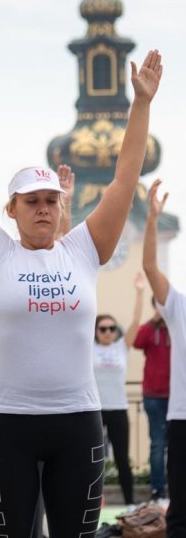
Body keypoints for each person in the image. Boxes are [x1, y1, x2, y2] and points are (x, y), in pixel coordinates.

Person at [0, 35, 162, 536]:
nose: (42, 207)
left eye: (51, 200)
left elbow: (125, 180)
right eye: (31, 199)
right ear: (10, 209)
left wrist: (141, 103)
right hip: (4, 425)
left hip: (77, 423)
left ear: (63, 207)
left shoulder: (83, 248)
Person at [142, 180, 184, 535]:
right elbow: (151, 268)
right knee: (181, 511)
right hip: (182, 417)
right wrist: (152, 220)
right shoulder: (178, 306)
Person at [93, 274, 144, 506]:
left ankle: (130, 503)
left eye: (112, 328)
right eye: (103, 328)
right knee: (92, 460)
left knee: (122, 459)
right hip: (94, 410)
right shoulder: (88, 347)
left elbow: (135, 321)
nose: (107, 332)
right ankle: (90, 503)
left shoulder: (121, 347)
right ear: (95, 331)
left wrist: (140, 292)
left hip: (118, 409)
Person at [133, 291, 171, 501]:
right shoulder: (149, 329)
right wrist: (154, 320)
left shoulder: (178, 327)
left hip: (177, 397)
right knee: (157, 444)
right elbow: (137, 342)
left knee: (176, 444)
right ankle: (158, 489)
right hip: (153, 396)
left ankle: (175, 487)